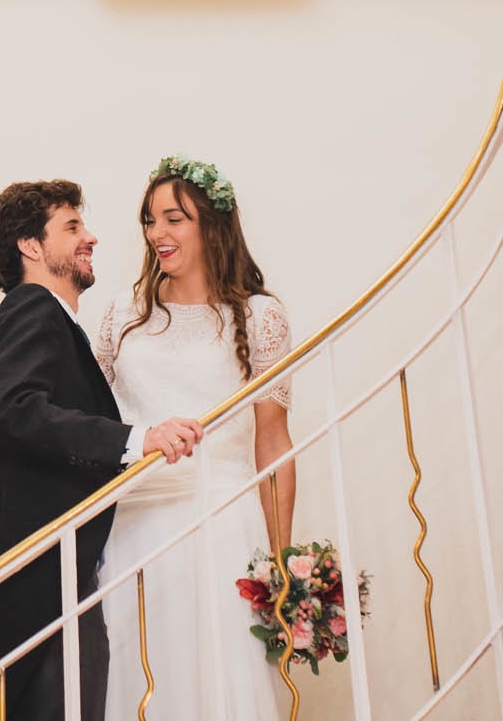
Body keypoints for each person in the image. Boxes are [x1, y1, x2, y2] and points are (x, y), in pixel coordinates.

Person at [0, 179, 204, 721]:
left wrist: (11, 503)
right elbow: (15, 409)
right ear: (31, 247)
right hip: (39, 592)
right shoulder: (33, 307)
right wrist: (138, 439)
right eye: (72, 226)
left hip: (39, 584)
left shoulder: (42, 325)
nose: (91, 236)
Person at [92, 157, 298, 721]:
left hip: (222, 525)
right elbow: (93, 423)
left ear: (211, 224)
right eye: (149, 220)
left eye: (173, 219)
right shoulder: (121, 315)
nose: (157, 233)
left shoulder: (260, 318)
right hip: (133, 527)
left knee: (219, 683)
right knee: (139, 685)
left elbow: (273, 444)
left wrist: (282, 560)